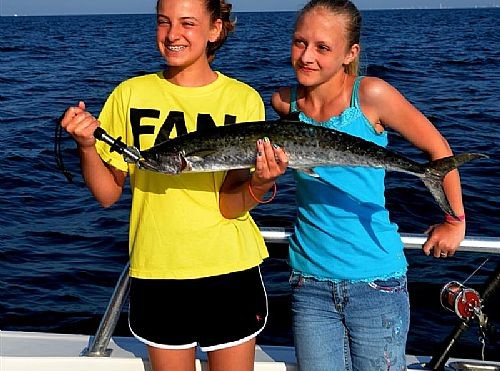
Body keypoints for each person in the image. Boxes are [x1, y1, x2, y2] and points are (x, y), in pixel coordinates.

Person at [60, 0, 288, 370]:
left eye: (187, 23)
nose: (172, 34)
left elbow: (230, 205)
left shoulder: (242, 99)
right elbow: (107, 194)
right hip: (158, 269)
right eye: (163, 21)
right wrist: (86, 146)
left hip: (229, 267)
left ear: (215, 29)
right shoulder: (130, 94)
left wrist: (261, 182)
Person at [271, 0, 466, 370]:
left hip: (376, 284)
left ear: (350, 53)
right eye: (300, 42)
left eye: (323, 47)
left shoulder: (371, 95)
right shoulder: (285, 102)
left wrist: (455, 220)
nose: (307, 56)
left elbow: (438, 150)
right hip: (308, 283)